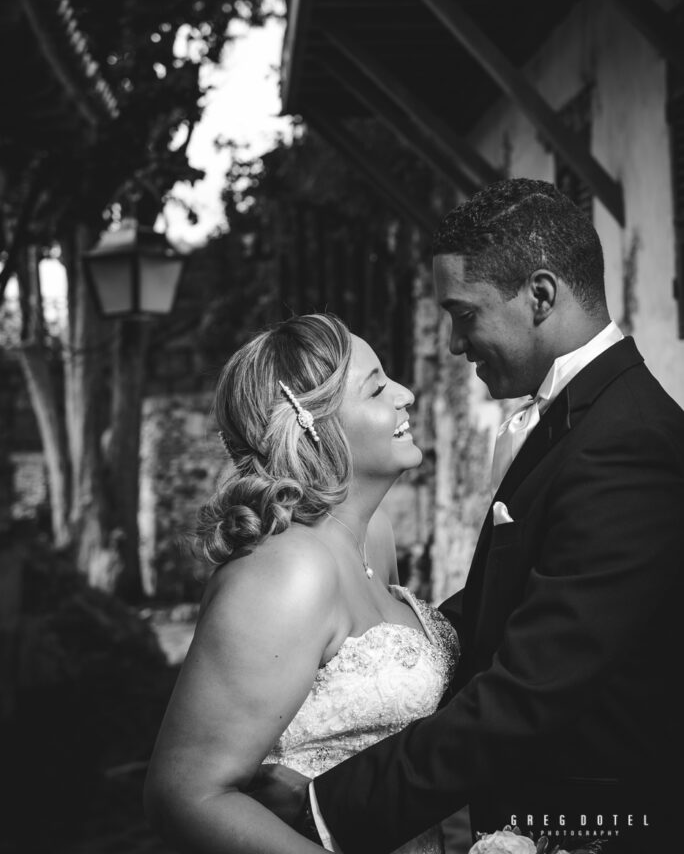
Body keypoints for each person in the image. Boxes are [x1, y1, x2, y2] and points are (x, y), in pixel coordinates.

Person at [253, 179, 684, 854]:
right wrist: (388, 642)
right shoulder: (585, 424)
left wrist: (323, 807)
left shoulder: (626, 442)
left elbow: (532, 689)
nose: (454, 345)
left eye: (463, 313)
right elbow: (516, 603)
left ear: (541, 296)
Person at [143, 312, 460, 854]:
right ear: (316, 424)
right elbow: (184, 794)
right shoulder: (287, 571)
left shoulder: (374, 540)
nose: (406, 395)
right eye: (377, 387)